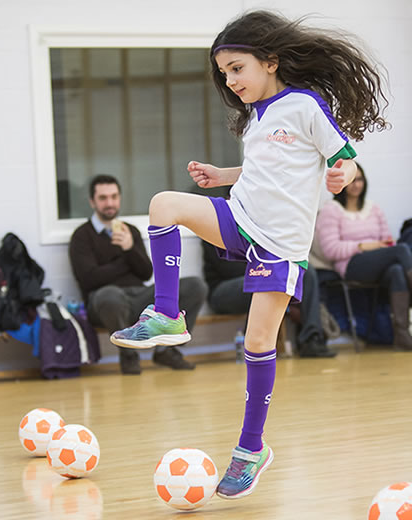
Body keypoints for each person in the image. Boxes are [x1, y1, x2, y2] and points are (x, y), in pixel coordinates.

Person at [110, 10, 388, 499]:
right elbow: (268, 171)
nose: (231, 80)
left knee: (258, 343)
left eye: (237, 68)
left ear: (271, 61)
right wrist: (222, 175)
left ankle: (250, 448)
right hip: (240, 220)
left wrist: (341, 174)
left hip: (280, 246)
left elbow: (341, 153)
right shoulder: (257, 118)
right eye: (224, 74)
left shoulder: (304, 104)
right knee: (163, 206)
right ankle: (169, 314)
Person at [69, 174, 206, 375]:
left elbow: (146, 273)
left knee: (195, 286)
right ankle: (128, 355)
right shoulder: (82, 236)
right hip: (104, 302)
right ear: (92, 202)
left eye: (114, 196)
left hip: (138, 297)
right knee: (110, 295)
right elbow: (89, 278)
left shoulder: (130, 231)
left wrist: (130, 248)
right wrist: (125, 259)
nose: (110, 203)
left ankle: (167, 351)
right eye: (103, 198)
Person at [316, 163, 412, 350]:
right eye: (352, 180)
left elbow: (387, 242)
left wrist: (379, 247)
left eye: (359, 179)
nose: (356, 184)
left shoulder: (373, 209)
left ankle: (401, 336)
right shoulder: (332, 209)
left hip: (378, 264)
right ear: (342, 183)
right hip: (351, 266)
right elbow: (331, 250)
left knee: (397, 271)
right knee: (401, 251)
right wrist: (364, 246)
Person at [202, 239, 337, 357]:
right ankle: (255, 347)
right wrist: (269, 269)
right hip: (222, 291)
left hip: (258, 278)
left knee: (306, 272)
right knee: (262, 280)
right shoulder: (216, 225)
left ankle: (311, 339)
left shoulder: (256, 227)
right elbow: (229, 268)